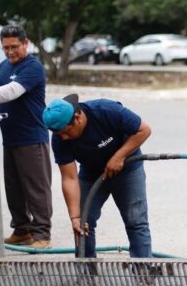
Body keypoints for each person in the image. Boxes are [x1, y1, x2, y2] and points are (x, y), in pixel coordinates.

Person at [42, 94, 152, 258]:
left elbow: (144, 130)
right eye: (58, 134)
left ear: (77, 118)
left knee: (136, 221)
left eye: (66, 132)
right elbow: (69, 178)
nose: (63, 137)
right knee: (83, 223)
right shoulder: (60, 139)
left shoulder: (106, 111)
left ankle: (144, 273)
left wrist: (119, 156)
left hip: (128, 168)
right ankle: (87, 274)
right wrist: (75, 216)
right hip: (91, 173)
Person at [0, 25, 52, 249]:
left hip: (31, 138)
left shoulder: (33, 67)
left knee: (36, 188)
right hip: (10, 137)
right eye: (5, 48)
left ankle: (42, 233)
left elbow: (11, 92)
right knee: (14, 188)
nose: (10, 52)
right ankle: (22, 229)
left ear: (26, 43)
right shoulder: (3, 67)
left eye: (14, 47)